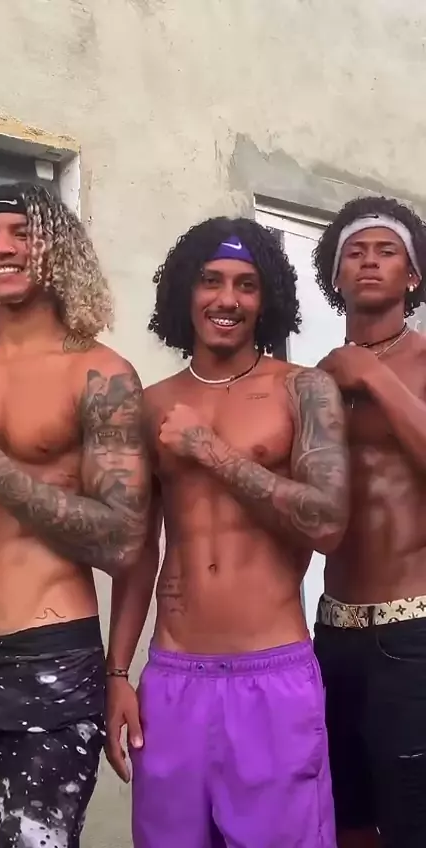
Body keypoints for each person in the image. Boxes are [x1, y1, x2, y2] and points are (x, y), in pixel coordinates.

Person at [105, 216, 349, 848]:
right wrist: (117, 673)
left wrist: (210, 450)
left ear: (266, 300)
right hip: (173, 677)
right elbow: (138, 551)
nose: (227, 299)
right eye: (211, 281)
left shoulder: (303, 390)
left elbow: (328, 522)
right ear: (186, 290)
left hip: (272, 674)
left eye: (246, 285)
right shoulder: (151, 404)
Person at [0, 182, 150, 847]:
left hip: (49, 656)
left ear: (57, 250)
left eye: (22, 233)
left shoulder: (100, 374)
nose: (1, 248)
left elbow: (123, 540)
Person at [313, 196, 426, 848]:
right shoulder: (315, 380)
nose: (370, 261)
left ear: (414, 275)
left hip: (413, 631)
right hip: (333, 628)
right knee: (343, 814)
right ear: (336, 276)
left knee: (412, 819)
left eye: (387, 251)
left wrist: (373, 377)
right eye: (355, 252)